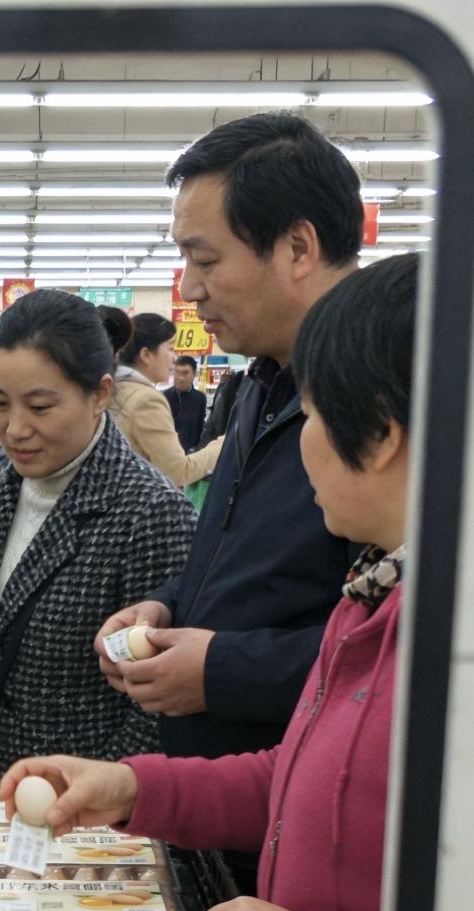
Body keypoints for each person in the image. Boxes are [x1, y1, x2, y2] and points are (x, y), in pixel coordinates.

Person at [2, 253, 416, 911]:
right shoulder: (368, 600)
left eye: (312, 418)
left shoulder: (441, 649)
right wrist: (132, 788)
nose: (297, 452)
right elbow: (291, 779)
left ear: (380, 434)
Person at [97, 112, 363, 768]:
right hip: (216, 788)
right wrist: (167, 605)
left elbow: (404, 640)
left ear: (297, 248)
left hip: (304, 786)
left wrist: (224, 669)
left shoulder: (388, 401)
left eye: (205, 259)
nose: (188, 288)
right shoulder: (260, 385)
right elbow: (241, 563)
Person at [0, 289, 196, 778]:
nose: (15, 429)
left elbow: (158, 707)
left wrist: (101, 795)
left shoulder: (149, 513)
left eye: (40, 407)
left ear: (99, 394)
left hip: (75, 801)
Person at [99, 306, 224, 488]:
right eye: (170, 348)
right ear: (146, 355)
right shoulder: (145, 400)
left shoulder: (111, 388)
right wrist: (221, 447)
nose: (174, 358)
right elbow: (178, 472)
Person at [163, 354, 208, 450]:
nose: (180, 377)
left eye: (185, 373)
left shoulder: (200, 398)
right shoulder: (163, 397)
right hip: (167, 451)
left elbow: (200, 426)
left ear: (194, 375)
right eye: (177, 372)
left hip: (191, 452)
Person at [197, 366, 246, 447]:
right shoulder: (222, 388)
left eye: (227, 375)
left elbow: (221, 414)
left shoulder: (228, 389)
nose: (224, 375)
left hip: (216, 433)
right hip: (212, 432)